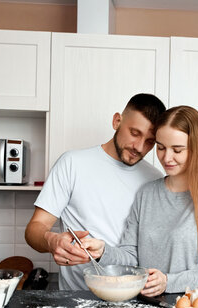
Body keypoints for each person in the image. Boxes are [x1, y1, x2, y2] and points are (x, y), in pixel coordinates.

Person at [81, 105, 198, 297]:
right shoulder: (146, 194)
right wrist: (102, 251)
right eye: (161, 147)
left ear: (197, 149)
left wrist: (168, 282)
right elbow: (131, 259)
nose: (166, 157)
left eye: (177, 150)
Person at [25, 94, 166, 290]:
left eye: (150, 141)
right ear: (117, 121)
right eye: (134, 133)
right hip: (78, 299)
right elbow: (35, 228)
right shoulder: (72, 164)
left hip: (136, 299)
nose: (139, 147)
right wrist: (52, 240)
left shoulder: (156, 179)